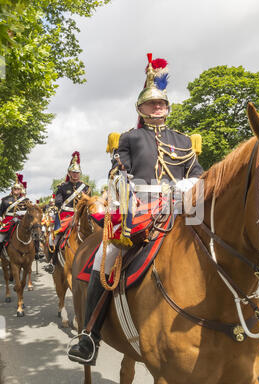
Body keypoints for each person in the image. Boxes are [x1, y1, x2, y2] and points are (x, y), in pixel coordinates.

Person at [68, 53, 204, 365]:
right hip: (140, 212)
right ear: (140, 108)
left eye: (162, 104)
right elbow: (117, 172)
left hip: (181, 211)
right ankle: (90, 335)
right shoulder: (129, 138)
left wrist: (190, 185)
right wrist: (127, 187)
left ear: (168, 108)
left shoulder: (184, 141)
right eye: (151, 104)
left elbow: (197, 172)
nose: (157, 108)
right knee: (103, 261)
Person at [44, 151, 91, 273]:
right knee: (55, 237)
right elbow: (59, 203)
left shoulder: (85, 187)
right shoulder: (62, 187)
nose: (75, 175)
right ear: (69, 173)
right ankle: (52, 261)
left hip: (82, 215)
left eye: (77, 173)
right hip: (67, 215)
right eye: (73, 172)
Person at [0, 174, 30, 254]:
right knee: (0, 238)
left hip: (21, 221)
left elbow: (29, 212)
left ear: (21, 190)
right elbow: (0, 213)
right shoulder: (5, 200)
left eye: (18, 189)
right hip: (8, 221)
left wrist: (23, 213)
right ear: (12, 189)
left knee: (34, 236)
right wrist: (1, 222)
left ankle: (36, 252)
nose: (16, 190)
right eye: (15, 188)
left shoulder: (26, 200)